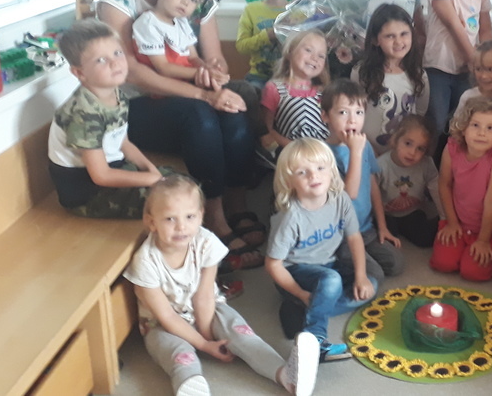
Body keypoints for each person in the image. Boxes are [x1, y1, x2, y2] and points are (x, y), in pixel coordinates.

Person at [97, 0, 261, 268]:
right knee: (200, 116)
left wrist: (213, 73)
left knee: (235, 110)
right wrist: (203, 94)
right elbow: (130, 70)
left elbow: (213, 55)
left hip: (188, 90)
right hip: (134, 106)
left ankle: (237, 204)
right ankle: (213, 219)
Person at [125, 175, 318, 396]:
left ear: (201, 216)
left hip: (209, 309)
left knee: (241, 334)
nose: (181, 227)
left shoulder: (206, 242)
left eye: (189, 217)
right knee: (178, 354)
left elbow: (204, 296)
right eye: (170, 219)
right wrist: (203, 345)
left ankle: (286, 375)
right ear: (152, 222)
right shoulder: (145, 262)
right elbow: (166, 316)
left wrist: (208, 334)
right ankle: (189, 382)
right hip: (162, 324)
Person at [265, 138, 378, 363]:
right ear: (289, 181)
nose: (313, 176)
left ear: (331, 170)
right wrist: (299, 292)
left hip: (329, 265)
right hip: (295, 272)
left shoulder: (341, 199)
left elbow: (354, 237)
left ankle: (303, 309)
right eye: (302, 172)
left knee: (370, 286)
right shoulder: (290, 216)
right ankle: (315, 341)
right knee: (332, 280)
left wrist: (360, 276)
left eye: (320, 168)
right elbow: (273, 264)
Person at [48, 20, 163, 218]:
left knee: (184, 185)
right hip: (87, 192)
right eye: (101, 60)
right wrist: (150, 180)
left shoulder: (118, 95)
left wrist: (152, 172)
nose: (115, 62)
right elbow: (100, 176)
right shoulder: (83, 114)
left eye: (117, 53)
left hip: (112, 169)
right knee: (174, 201)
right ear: (79, 72)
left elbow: (123, 143)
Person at [320, 79, 404, 281]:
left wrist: (382, 226)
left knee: (396, 264)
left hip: (365, 229)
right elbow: (348, 195)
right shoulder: (322, 155)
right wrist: (355, 153)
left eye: (359, 112)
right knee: (374, 276)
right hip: (340, 236)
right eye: (343, 112)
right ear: (325, 116)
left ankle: (358, 256)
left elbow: (372, 186)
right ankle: (331, 264)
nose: (352, 120)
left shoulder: (364, 145)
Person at [422, 0, 492, 148]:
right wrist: (474, 61)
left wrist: (487, 63)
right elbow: (454, 27)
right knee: (437, 122)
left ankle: (453, 161)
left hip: (465, 72)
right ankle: (431, 163)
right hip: (438, 69)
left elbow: (486, 32)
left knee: (460, 123)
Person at [430, 96, 492, 282]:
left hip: (486, 229)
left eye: (490, 128)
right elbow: (444, 184)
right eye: (475, 125)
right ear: (463, 127)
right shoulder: (452, 148)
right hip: (457, 222)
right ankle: (459, 241)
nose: (482, 133)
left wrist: (483, 240)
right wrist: (451, 222)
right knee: (443, 263)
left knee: (473, 272)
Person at [351, 3, 429, 156]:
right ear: (375, 40)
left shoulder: (419, 75)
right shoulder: (361, 73)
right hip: (368, 151)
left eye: (404, 34)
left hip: (404, 157)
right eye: (390, 36)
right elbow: (353, 113)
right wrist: (367, 148)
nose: (399, 42)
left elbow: (419, 114)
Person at [131, 0, 213, 83]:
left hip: (189, 81)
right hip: (164, 88)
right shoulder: (148, 24)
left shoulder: (182, 23)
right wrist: (202, 74)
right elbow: (163, 68)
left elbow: (193, 58)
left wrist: (207, 70)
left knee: (239, 88)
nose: (185, 2)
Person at [260, 30, 331, 164]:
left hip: (324, 154)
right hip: (292, 155)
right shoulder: (274, 89)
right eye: (308, 50)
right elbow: (267, 131)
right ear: (290, 51)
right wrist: (295, 148)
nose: (315, 58)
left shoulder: (325, 92)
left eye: (321, 56)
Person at [376, 115, 443, 248]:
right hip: (386, 215)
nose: (412, 152)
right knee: (386, 243)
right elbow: (370, 196)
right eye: (408, 143)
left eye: (420, 148)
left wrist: (445, 218)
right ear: (396, 139)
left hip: (412, 212)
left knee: (427, 238)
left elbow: (437, 190)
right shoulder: (381, 165)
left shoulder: (426, 163)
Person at [237, 0, 295, 89]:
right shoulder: (251, 10)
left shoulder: (296, 12)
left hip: (290, 76)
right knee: (251, 94)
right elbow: (241, 46)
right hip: (259, 76)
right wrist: (267, 36)